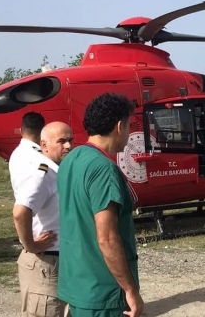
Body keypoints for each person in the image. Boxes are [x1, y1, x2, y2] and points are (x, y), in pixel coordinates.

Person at [56, 93, 143, 317]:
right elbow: (106, 237)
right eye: (130, 126)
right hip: (103, 293)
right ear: (119, 126)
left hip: (79, 285)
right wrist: (130, 289)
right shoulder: (103, 168)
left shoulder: (71, 159)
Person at [12, 121, 73, 317]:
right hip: (45, 262)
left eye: (70, 140)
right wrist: (30, 245)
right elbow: (20, 212)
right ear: (44, 145)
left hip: (59, 260)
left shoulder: (56, 170)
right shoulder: (42, 174)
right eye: (62, 141)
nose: (68, 146)